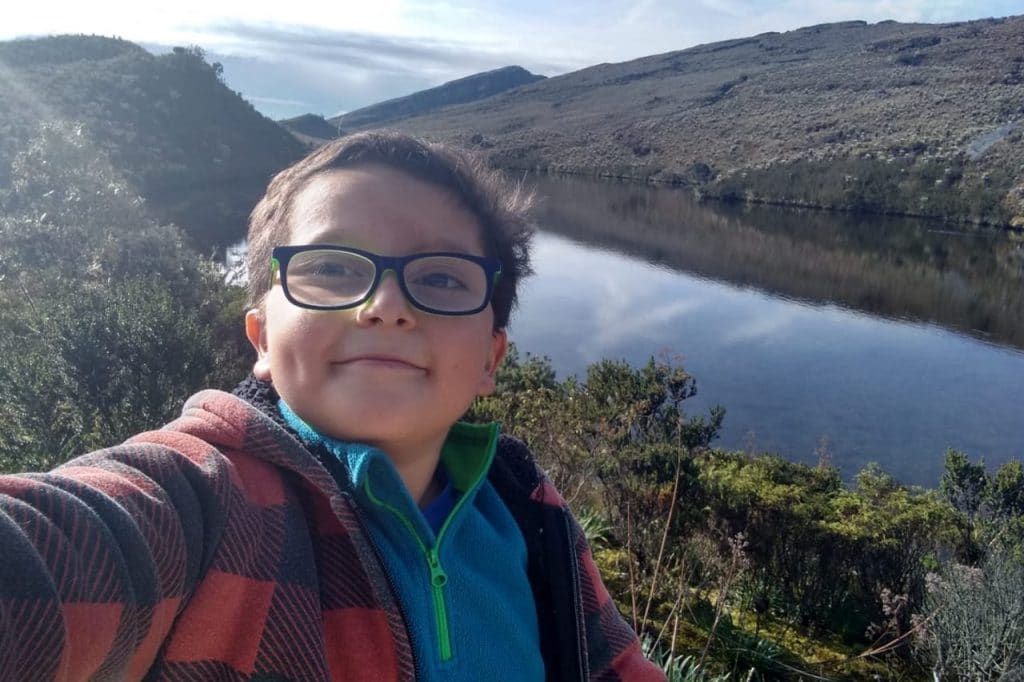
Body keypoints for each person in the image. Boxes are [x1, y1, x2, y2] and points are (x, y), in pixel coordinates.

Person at [0, 131, 664, 681]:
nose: (384, 306)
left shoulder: (525, 509)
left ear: (491, 358)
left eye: (440, 277)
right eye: (332, 269)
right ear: (262, 337)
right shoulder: (202, 501)